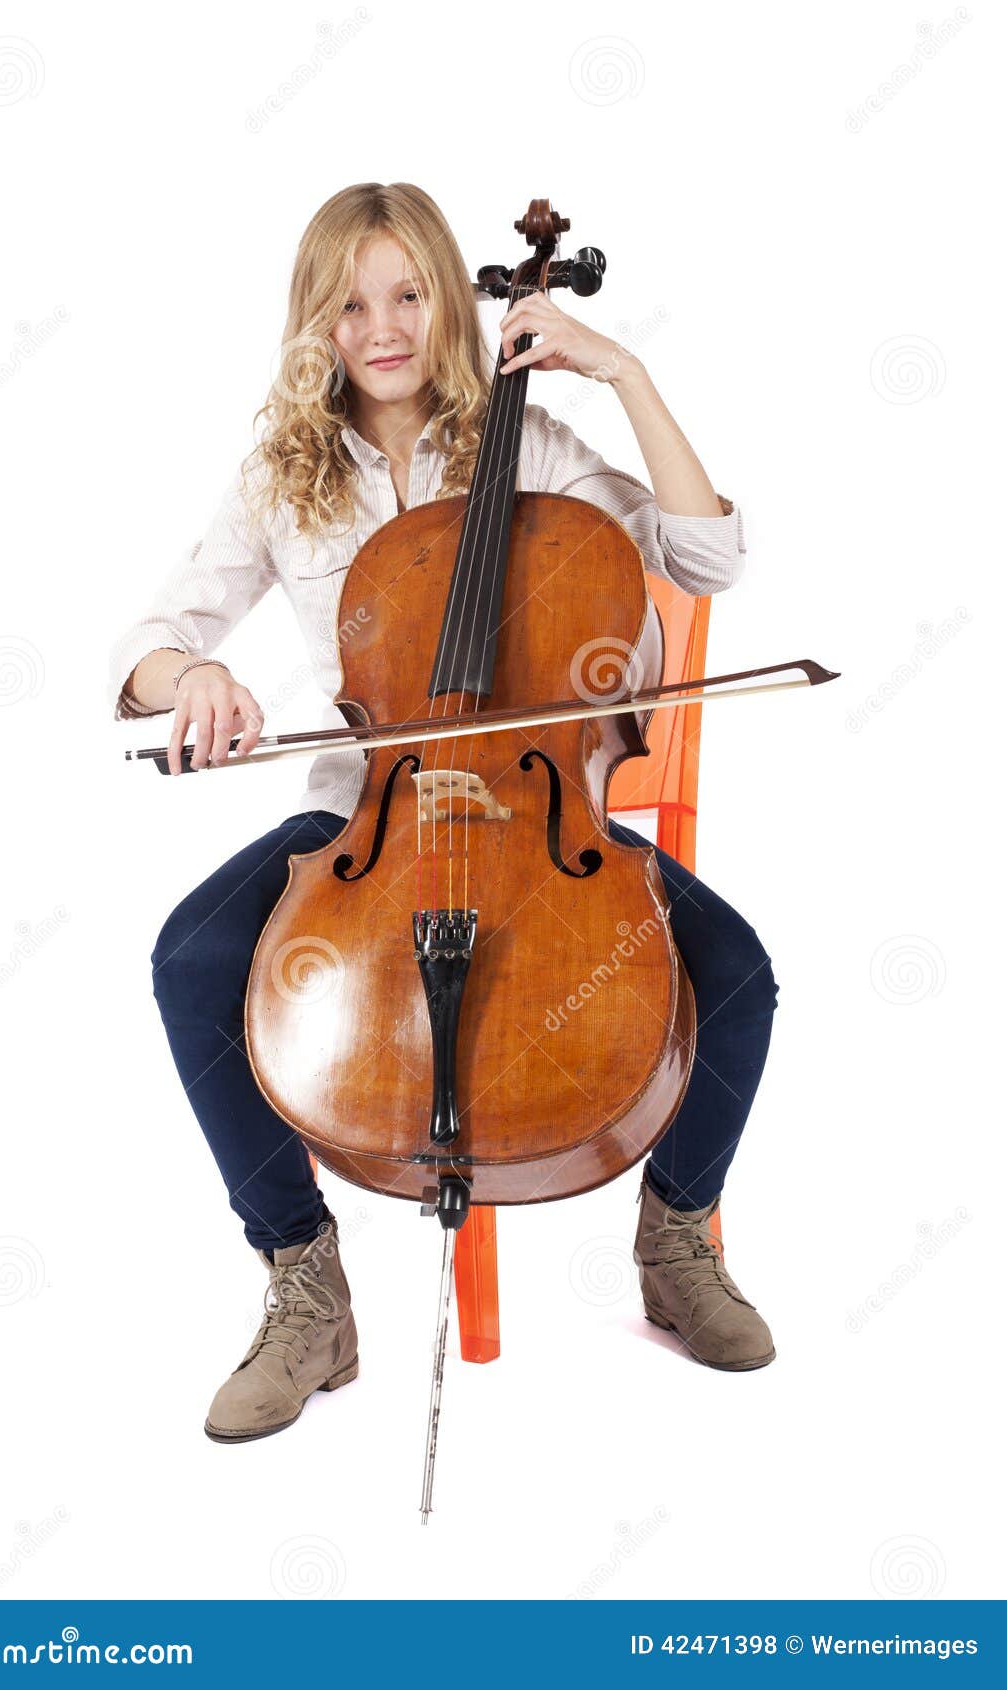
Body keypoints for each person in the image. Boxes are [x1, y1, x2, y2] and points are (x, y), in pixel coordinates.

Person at [108, 182, 778, 1445]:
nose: (384, 324)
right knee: (191, 960)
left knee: (737, 973)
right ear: (318, 319)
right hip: (364, 817)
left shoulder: (524, 447)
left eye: (409, 291)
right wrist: (188, 673)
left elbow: (708, 559)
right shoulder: (286, 475)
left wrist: (619, 369)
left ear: (444, 299)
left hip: (541, 818)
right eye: (351, 301)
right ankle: (305, 1280)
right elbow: (144, 643)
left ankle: (677, 1240)